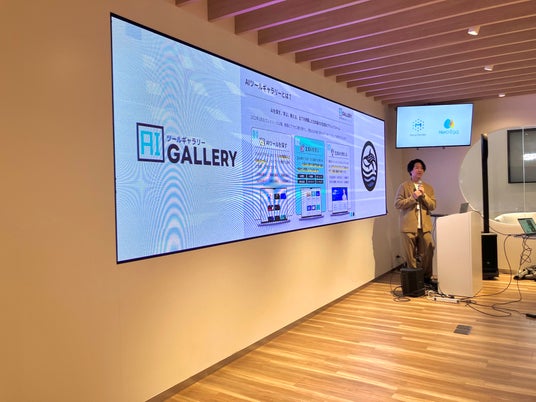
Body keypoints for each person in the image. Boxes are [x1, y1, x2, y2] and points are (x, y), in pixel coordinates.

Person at [394, 159, 436, 285]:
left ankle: (426, 278)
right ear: (410, 171)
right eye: (416, 167)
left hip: (424, 227)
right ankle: (413, 282)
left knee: (429, 249)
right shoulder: (404, 186)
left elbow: (433, 205)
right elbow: (398, 204)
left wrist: (424, 196)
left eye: (421, 168)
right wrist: (413, 197)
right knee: (410, 256)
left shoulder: (428, 188)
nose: (419, 170)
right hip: (408, 226)